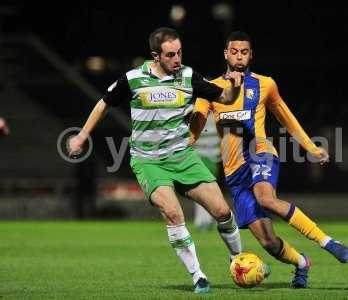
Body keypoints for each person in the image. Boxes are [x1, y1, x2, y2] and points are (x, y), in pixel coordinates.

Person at [67, 27, 243, 294]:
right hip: (149, 161)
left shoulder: (188, 76)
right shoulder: (133, 79)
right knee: (173, 214)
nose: (177, 59)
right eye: (171, 55)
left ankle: (238, 261)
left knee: (222, 212)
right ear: (155, 56)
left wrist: (234, 85)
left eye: (180, 53)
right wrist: (82, 135)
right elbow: (104, 103)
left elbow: (225, 98)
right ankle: (198, 276)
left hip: (182, 157)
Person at [190, 31, 348, 289]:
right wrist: (179, 148)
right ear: (226, 54)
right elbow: (194, 129)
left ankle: (328, 242)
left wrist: (311, 147)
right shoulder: (210, 89)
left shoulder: (266, 84)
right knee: (268, 242)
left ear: (251, 55)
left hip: (260, 152)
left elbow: (286, 117)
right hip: (234, 172)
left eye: (244, 52)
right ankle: (301, 263)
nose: (239, 56)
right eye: (234, 51)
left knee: (266, 198)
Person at [192, 112, 220, 230]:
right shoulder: (215, 117)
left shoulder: (198, 116)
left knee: (202, 191)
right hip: (206, 158)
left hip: (206, 158)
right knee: (206, 190)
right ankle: (205, 220)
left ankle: (204, 220)